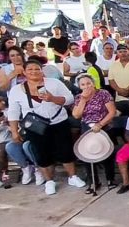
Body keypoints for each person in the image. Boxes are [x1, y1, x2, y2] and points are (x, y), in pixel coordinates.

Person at [7, 59, 86, 195]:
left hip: (58, 122)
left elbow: (70, 99)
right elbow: (13, 111)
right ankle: (49, 181)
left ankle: (73, 177)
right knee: (41, 153)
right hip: (35, 126)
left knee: (65, 151)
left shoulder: (54, 83)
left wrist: (52, 98)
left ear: (42, 70)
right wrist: (14, 131)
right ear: (24, 72)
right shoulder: (16, 90)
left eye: (37, 69)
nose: (34, 72)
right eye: (30, 69)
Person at [72, 74, 118, 193]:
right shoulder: (78, 97)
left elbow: (112, 112)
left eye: (88, 83)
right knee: (87, 154)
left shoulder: (103, 93)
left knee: (107, 153)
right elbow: (76, 115)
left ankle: (110, 179)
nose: (86, 86)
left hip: (104, 125)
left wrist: (101, 124)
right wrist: (83, 100)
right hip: (87, 127)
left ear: (93, 83)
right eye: (83, 84)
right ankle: (93, 182)